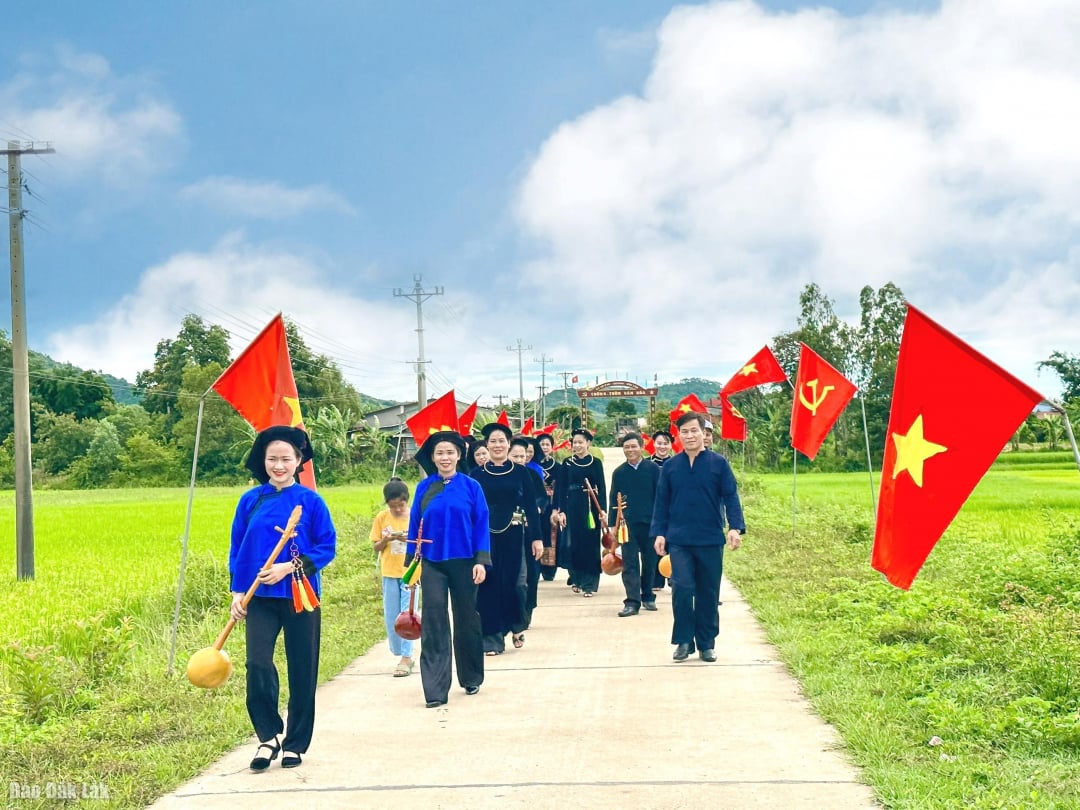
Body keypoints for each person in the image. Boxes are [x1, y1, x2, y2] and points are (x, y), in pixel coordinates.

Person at [229, 426, 336, 771]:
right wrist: (237, 592)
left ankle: (295, 743)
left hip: (300, 596)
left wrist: (289, 568)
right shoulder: (250, 500)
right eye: (272, 459)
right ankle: (268, 735)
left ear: (298, 461)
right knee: (257, 664)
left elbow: (326, 547)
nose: (279, 465)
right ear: (264, 461)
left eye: (285, 459)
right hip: (258, 597)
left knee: (302, 668)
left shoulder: (311, 501)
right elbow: (238, 550)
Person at [651, 412, 745, 663]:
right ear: (679, 436)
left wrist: (735, 527)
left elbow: (731, 496)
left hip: (711, 538)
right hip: (679, 539)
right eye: (685, 432)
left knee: (708, 592)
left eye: (694, 431)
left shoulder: (718, 463)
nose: (690, 436)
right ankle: (683, 640)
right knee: (681, 589)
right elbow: (661, 503)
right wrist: (660, 533)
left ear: (704, 433)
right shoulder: (671, 466)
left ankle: (706, 643)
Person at [409, 430, 490, 708]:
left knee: (467, 618)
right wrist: (411, 565)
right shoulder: (424, 487)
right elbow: (414, 524)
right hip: (432, 562)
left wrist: (481, 560)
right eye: (439, 453)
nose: (445, 457)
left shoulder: (471, 487)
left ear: (459, 455)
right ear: (432, 457)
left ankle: (471, 677)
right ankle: (435, 690)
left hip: (465, 562)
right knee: (434, 622)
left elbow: (481, 523)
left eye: (450, 452)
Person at [471, 423, 544, 653]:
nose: (497, 445)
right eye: (492, 441)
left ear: (509, 443)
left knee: (515, 584)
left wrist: (537, 538)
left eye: (502, 440)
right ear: (486, 445)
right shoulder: (477, 474)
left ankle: (517, 624)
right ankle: (492, 638)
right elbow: (472, 509)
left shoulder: (522, 472)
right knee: (488, 586)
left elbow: (531, 507)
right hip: (485, 537)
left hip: (514, 534)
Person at [609, 432, 660, 616]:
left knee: (650, 561)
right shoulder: (619, 472)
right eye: (627, 447)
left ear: (642, 447)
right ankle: (632, 602)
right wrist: (612, 526)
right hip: (626, 525)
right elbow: (613, 500)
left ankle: (648, 596)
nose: (630, 450)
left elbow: (661, 498)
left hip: (651, 523)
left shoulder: (653, 469)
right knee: (629, 563)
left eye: (633, 446)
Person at [553, 427, 606, 596]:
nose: (577, 445)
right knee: (573, 544)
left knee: (590, 545)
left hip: (591, 507)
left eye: (580, 442)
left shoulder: (596, 463)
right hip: (572, 507)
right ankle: (576, 578)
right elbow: (560, 489)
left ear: (588, 443)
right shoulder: (567, 463)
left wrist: (602, 510)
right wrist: (561, 510)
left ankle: (590, 584)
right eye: (574, 442)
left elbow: (602, 488)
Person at [369, 478, 414, 677]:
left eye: (400, 505)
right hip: (389, 572)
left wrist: (408, 538)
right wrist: (387, 539)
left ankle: (406, 656)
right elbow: (376, 546)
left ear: (407, 501)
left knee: (408, 615)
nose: (396, 509)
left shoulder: (414, 516)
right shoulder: (381, 517)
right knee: (392, 616)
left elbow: (424, 543)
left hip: (410, 573)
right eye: (392, 506)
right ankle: (399, 651)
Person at [511, 436, 547, 628]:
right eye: (515, 456)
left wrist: (538, 508)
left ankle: (527, 611)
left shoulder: (531, 475)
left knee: (531, 575)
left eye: (522, 456)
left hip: (530, 530)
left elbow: (541, 498)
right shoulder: (503, 476)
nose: (519, 460)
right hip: (509, 532)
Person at [535, 432, 562, 582]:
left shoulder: (557, 467)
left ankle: (549, 570)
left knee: (552, 537)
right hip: (537, 504)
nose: (544, 447)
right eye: (541, 444)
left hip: (551, 504)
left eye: (547, 444)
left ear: (552, 447)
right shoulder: (532, 465)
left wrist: (556, 508)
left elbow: (559, 488)